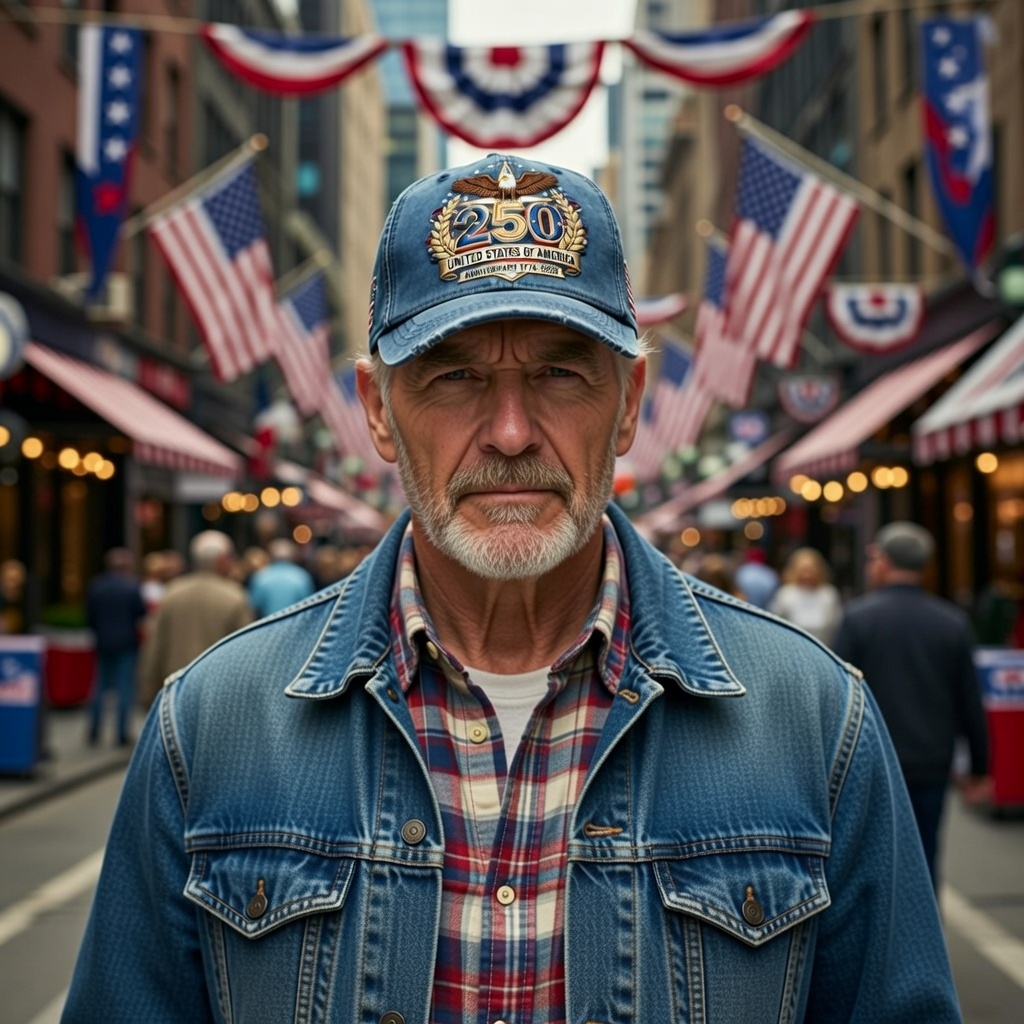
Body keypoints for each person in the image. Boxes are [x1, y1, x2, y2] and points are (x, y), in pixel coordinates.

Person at [64, 154, 961, 1023]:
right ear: (378, 408)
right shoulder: (210, 723)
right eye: (453, 375)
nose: (508, 431)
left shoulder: (816, 721)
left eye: (560, 372)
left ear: (631, 401)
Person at [833, 521, 990, 891]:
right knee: (925, 857)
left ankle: (882, 944)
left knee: (871, 863)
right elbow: (970, 699)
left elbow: (840, 697)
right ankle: (925, 942)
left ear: (883, 562)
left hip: (873, 761)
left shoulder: (859, 619)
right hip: (931, 760)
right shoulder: (951, 622)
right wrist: (980, 768)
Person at [137, 530, 252, 701]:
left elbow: (156, 644)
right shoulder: (235, 596)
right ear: (221, 560)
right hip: (218, 690)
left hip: (176, 686)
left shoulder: (172, 592)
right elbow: (246, 652)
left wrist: (148, 689)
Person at [84, 548, 147, 746]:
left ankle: (94, 730)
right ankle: (121, 734)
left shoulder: (97, 586)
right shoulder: (131, 587)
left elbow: (90, 616)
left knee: (100, 686)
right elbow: (141, 613)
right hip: (126, 642)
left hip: (103, 641)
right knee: (124, 687)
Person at [769, 546, 843, 645]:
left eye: (811, 569)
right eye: (804, 569)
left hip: (824, 647)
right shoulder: (786, 594)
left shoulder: (828, 593)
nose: (807, 574)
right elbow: (775, 623)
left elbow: (837, 625)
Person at [248, 537, 316, 616]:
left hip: (268, 624)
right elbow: (310, 606)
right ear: (293, 555)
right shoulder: (302, 576)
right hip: (296, 625)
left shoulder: (261, 576)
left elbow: (253, 607)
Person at [734, 544, 780, 609]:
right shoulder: (770, 573)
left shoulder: (742, 570)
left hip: (744, 608)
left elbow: (738, 590)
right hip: (764, 610)